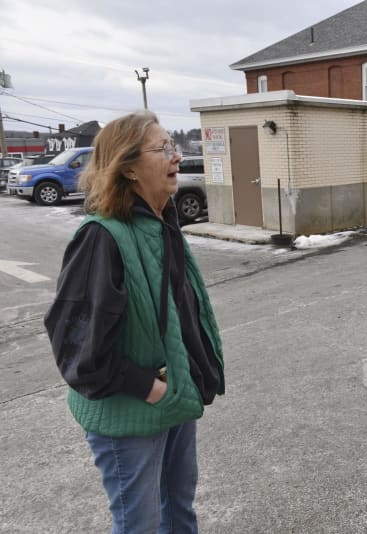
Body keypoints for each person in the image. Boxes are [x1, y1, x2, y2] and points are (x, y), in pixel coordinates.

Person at [44, 110, 225, 533]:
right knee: (139, 524)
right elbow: (76, 350)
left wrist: (190, 379)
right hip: (132, 408)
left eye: (173, 147)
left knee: (179, 510)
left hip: (176, 398)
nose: (176, 157)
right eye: (163, 149)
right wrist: (153, 388)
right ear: (127, 167)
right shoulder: (101, 237)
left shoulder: (163, 227)